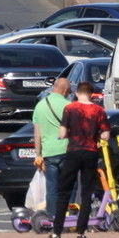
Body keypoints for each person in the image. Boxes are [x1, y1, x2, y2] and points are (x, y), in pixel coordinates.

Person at [46, 81, 110, 238]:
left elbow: (63, 132)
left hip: (73, 152)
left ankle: (56, 234)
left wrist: (65, 136)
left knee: (64, 192)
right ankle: (81, 234)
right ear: (91, 94)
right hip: (90, 153)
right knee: (86, 193)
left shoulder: (70, 108)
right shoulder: (98, 110)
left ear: (77, 93)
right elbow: (105, 135)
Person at [32, 76, 70, 220]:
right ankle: (68, 216)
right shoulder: (68, 105)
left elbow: (37, 133)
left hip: (49, 153)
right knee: (68, 187)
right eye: (69, 91)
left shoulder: (40, 105)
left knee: (52, 188)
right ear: (65, 90)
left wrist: (38, 154)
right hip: (67, 151)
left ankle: (53, 217)